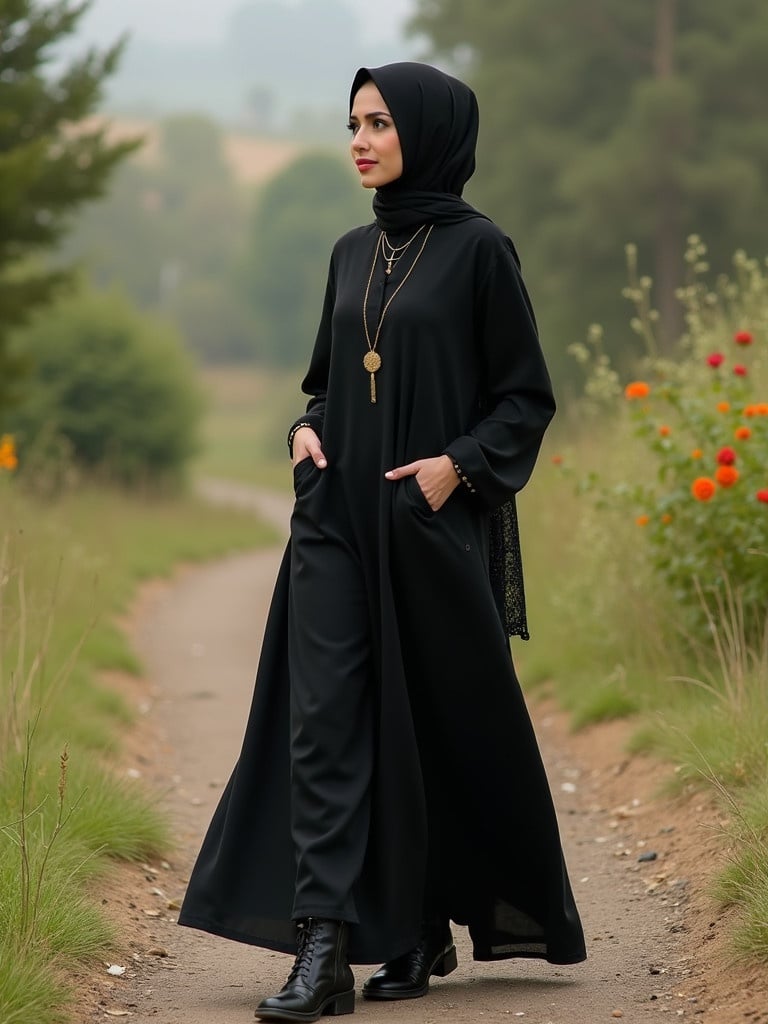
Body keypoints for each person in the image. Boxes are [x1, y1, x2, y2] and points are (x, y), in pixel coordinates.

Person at [178, 61, 586, 1022]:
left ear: (430, 135)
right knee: (323, 724)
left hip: (427, 522)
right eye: (353, 123)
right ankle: (323, 950)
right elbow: (325, 382)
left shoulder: (482, 251)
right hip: (333, 520)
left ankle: (416, 923)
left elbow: (525, 398)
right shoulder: (348, 251)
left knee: (424, 726)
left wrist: (458, 466)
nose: (360, 139)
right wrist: (303, 431)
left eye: (379, 124)